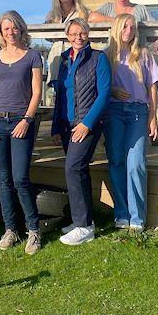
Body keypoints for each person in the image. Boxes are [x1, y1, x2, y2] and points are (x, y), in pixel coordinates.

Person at [0, 11, 43, 255]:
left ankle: (34, 230)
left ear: (21, 29)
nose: (11, 32)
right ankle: (10, 229)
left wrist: (27, 120)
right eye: (6, 29)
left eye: (14, 28)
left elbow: (37, 92)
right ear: (1, 31)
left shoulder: (33, 56)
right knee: (4, 180)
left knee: (20, 178)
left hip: (21, 122)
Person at [51, 18, 111, 245]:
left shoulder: (98, 58)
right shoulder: (64, 60)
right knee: (79, 171)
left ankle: (83, 226)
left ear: (88, 33)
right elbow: (59, 96)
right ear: (67, 35)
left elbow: (104, 94)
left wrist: (87, 124)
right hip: (67, 125)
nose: (78, 37)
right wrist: (56, 127)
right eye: (73, 33)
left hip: (87, 124)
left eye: (82, 33)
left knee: (73, 168)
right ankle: (84, 222)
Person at [103, 14, 158, 231]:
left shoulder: (143, 55)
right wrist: (112, 90)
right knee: (116, 161)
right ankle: (122, 214)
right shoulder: (106, 56)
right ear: (116, 28)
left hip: (138, 112)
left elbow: (152, 87)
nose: (129, 30)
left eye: (132, 27)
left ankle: (137, 218)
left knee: (136, 164)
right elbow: (100, 86)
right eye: (125, 26)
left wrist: (153, 117)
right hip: (113, 112)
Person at [44, 0, 90, 97]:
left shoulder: (83, 12)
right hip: (57, 57)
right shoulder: (52, 15)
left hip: (76, 56)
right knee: (57, 95)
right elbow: (47, 37)